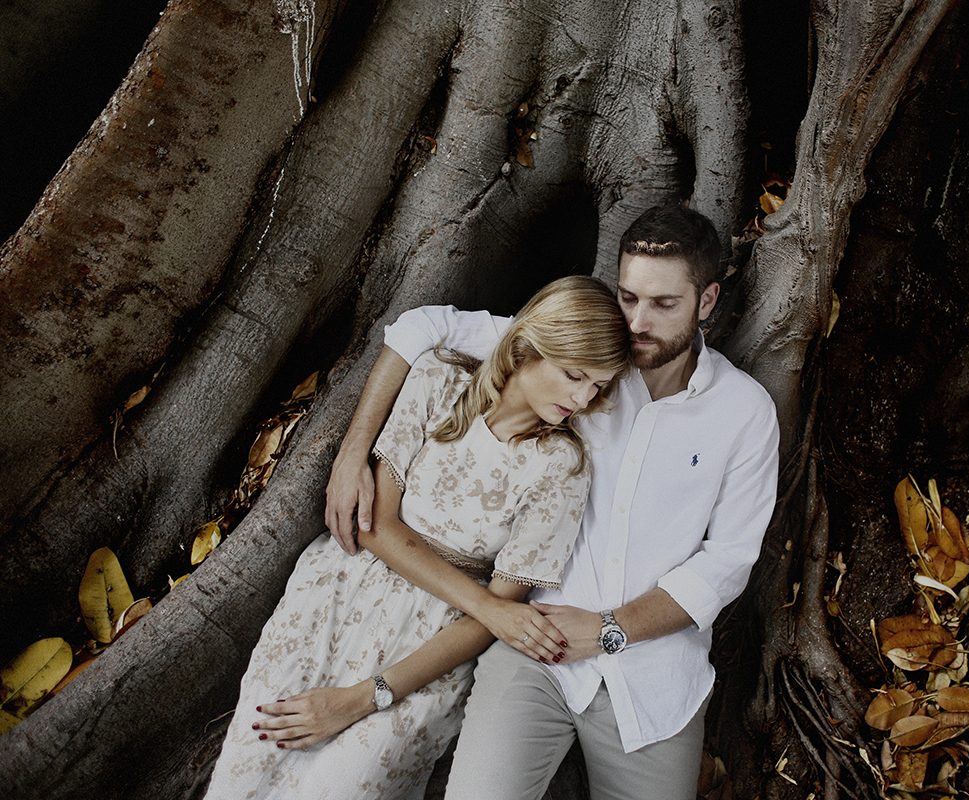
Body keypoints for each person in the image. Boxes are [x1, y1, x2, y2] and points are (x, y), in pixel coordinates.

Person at [326, 203, 780, 800]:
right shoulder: (582, 363)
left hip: (655, 676)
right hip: (532, 649)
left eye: (663, 305)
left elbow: (727, 562)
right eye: (628, 298)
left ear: (708, 301)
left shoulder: (744, 413)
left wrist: (610, 630)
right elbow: (422, 327)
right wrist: (352, 451)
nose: (638, 322)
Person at [204, 275, 631, 800]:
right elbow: (378, 527)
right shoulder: (438, 382)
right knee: (246, 772)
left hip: (434, 648)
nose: (583, 398)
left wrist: (366, 697)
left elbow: (495, 618)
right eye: (574, 375)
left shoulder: (563, 468)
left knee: (340, 788)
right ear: (525, 348)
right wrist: (492, 610)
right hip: (335, 597)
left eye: (598, 385)